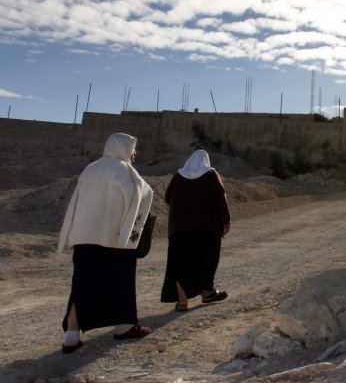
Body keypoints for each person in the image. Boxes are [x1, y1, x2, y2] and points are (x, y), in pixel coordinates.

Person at [57, 133, 154, 353]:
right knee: (121, 284)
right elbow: (141, 196)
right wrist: (131, 237)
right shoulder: (124, 170)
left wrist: (69, 232)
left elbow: (76, 201)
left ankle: (71, 335)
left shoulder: (90, 169)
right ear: (122, 148)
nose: (134, 153)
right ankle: (125, 326)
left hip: (84, 237)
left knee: (81, 285)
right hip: (114, 239)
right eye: (132, 148)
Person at [160, 150, 231, 311]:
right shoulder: (210, 174)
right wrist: (226, 220)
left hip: (179, 229)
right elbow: (220, 197)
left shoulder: (179, 176)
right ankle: (207, 292)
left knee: (179, 265)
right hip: (206, 229)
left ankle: (182, 302)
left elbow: (167, 198)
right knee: (206, 261)